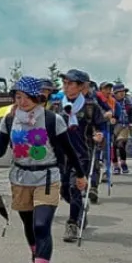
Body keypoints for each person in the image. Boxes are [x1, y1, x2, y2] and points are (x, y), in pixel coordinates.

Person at [0, 77, 87, 263]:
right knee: (28, 224)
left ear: (38, 97)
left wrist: (80, 176)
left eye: (27, 97)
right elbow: (0, 151)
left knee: (41, 225)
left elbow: (69, 150)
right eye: (18, 97)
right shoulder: (9, 120)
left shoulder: (52, 119)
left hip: (47, 177)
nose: (22, 101)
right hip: (20, 178)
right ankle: (37, 258)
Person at [49, 69, 106, 241]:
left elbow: (102, 126)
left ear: (81, 86)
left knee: (75, 187)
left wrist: (99, 135)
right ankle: (80, 208)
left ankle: (72, 223)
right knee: (63, 188)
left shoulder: (91, 107)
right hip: (60, 155)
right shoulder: (57, 105)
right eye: (64, 83)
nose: (66, 87)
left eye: (70, 83)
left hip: (82, 154)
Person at [112, 83, 132, 174]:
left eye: (123, 91)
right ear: (115, 93)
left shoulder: (128, 101)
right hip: (113, 126)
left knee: (121, 143)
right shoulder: (111, 101)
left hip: (124, 125)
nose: (122, 93)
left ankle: (123, 164)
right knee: (112, 145)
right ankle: (116, 166)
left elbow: (130, 113)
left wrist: (131, 123)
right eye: (119, 92)